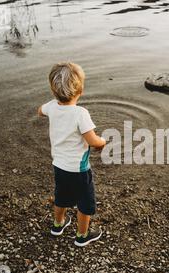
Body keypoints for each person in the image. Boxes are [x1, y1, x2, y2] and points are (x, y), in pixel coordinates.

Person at [38, 62, 106, 247]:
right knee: (85, 203)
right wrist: (103, 142)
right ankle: (82, 236)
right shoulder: (80, 113)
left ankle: (58, 225)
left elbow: (39, 111)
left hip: (59, 165)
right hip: (79, 170)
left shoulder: (51, 106)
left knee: (61, 196)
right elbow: (93, 141)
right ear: (80, 90)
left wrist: (52, 112)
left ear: (54, 90)